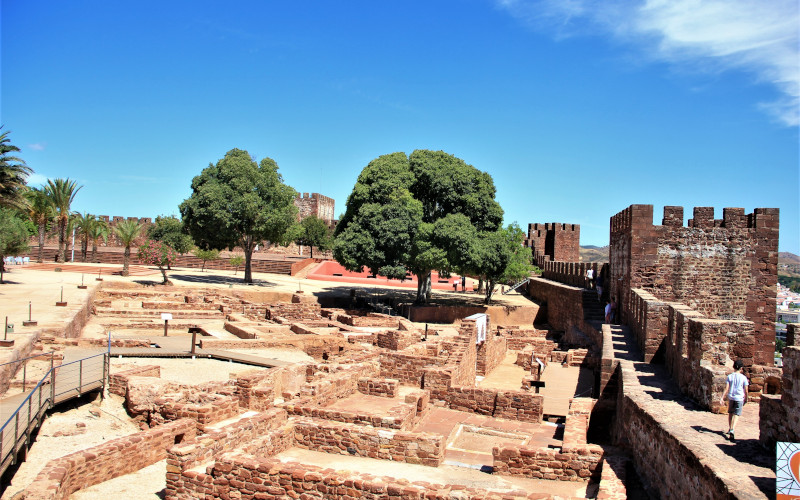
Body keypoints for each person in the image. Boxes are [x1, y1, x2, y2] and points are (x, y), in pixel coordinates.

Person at [720, 359, 749, 442]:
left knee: (730, 413)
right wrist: (746, 398)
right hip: (739, 398)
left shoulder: (730, 376)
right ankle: (732, 429)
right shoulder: (743, 378)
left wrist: (722, 397)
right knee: (736, 414)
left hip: (731, 397)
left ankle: (730, 428)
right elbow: (746, 390)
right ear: (741, 368)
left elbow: (726, 388)